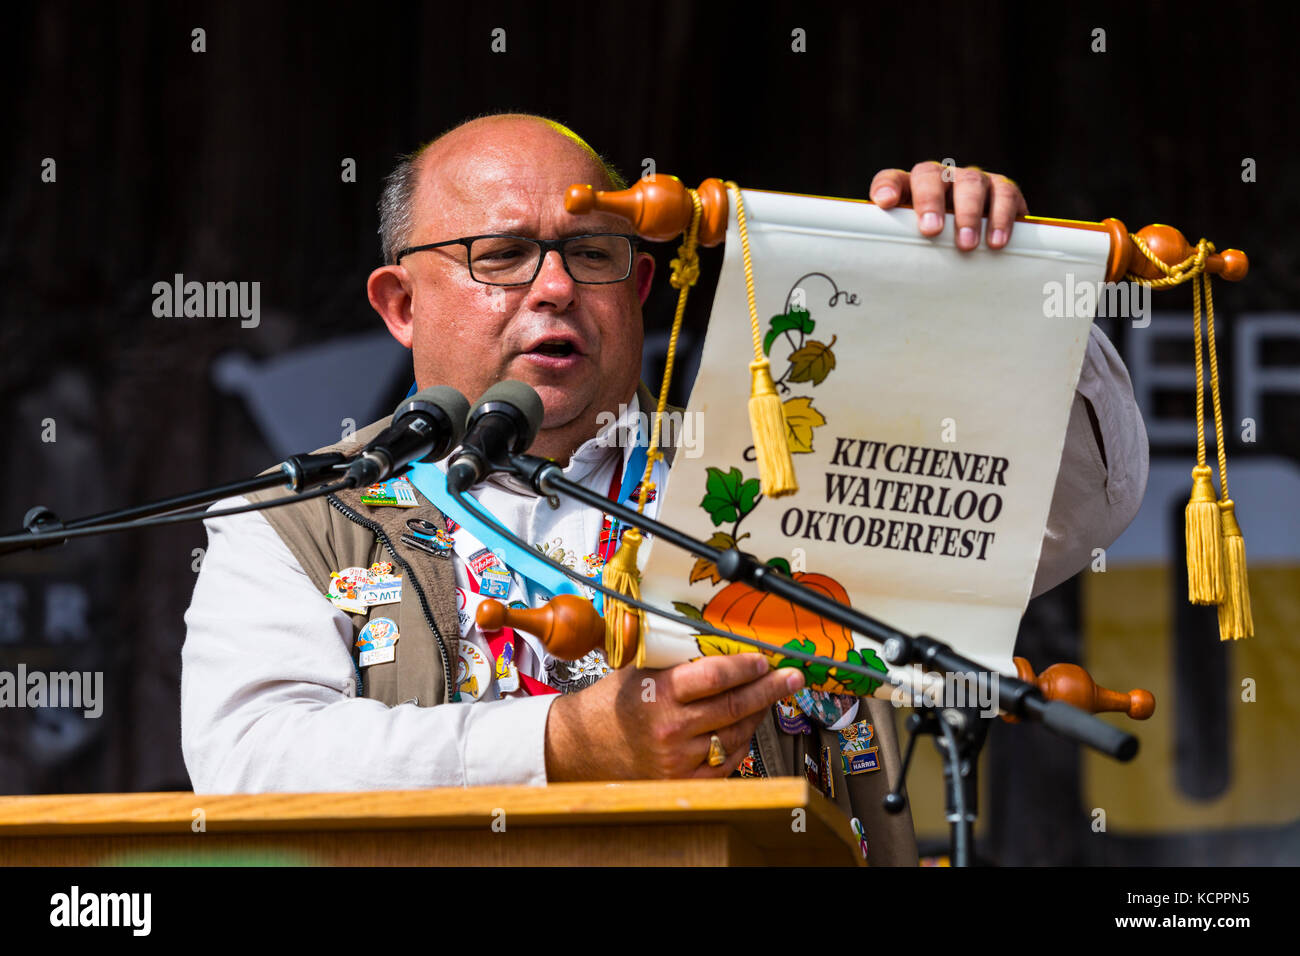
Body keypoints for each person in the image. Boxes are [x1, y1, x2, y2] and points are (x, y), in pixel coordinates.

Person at [181, 113, 1148, 865]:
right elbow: (251, 761)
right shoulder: (298, 517)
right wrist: (560, 743)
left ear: (638, 290)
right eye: (502, 254)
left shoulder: (773, 478)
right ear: (400, 304)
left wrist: (994, 291)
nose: (553, 286)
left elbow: (1078, 503)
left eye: (591, 252)